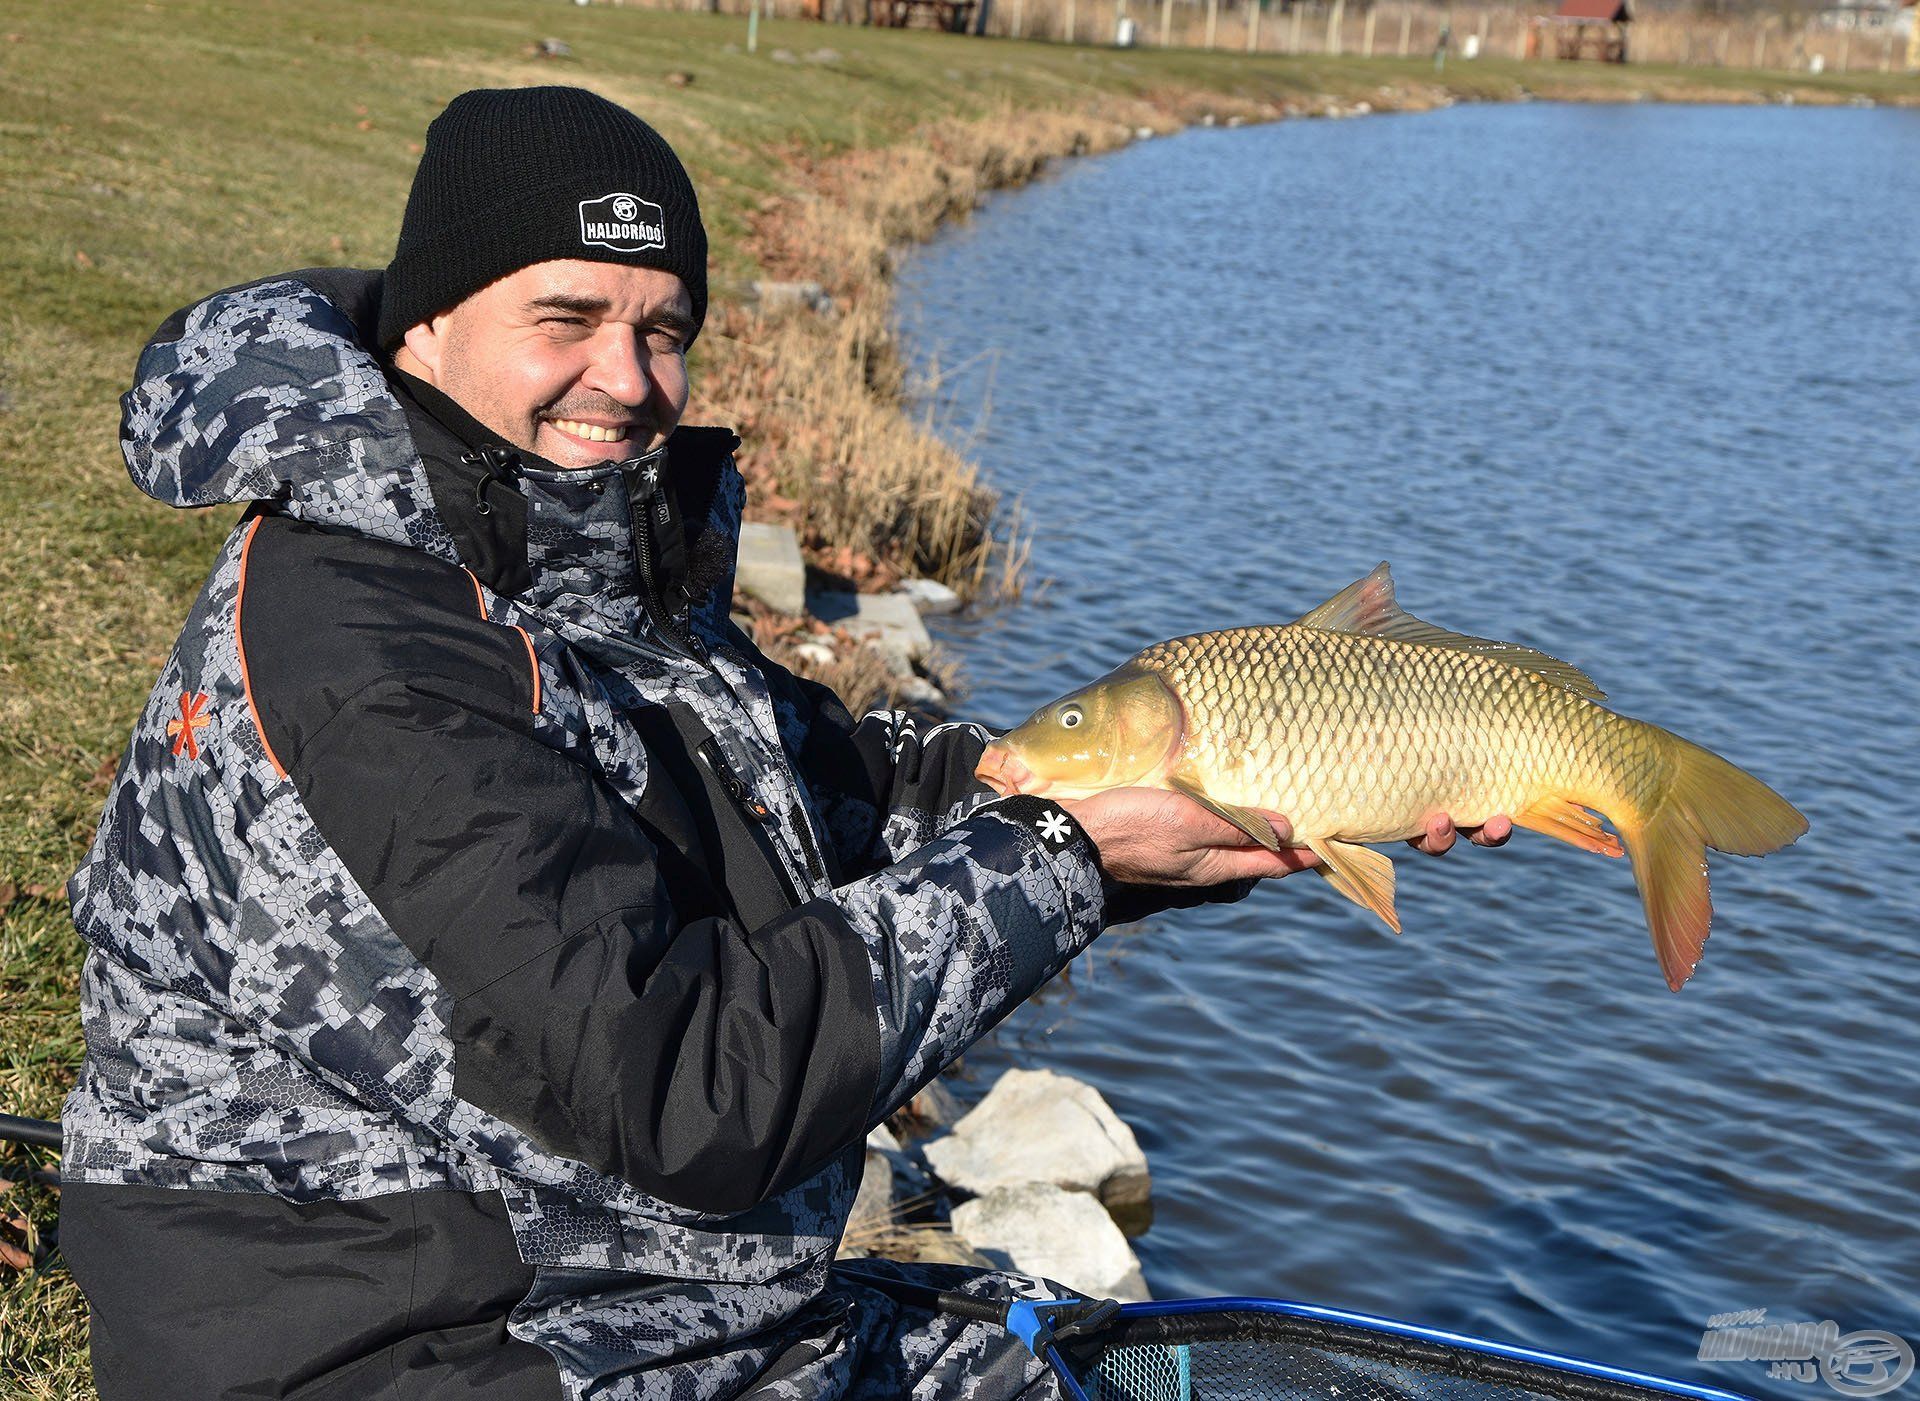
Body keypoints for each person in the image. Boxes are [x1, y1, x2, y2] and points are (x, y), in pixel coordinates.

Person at [58, 86, 1506, 1399]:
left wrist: (1189, 809)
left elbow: (852, 794)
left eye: (662, 328)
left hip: (657, 1297)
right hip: (411, 1342)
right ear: (428, 323)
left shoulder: (569, 558)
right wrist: (1061, 856)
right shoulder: (369, 632)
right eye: (565, 320)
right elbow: (680, 1089)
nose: (624, 380)